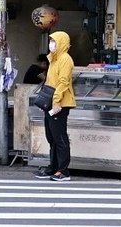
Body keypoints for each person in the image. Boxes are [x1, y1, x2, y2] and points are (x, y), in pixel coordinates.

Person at [35, 31, 75, 182]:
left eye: (54, 41)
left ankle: (63, 170)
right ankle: (53, 167)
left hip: (60, 104)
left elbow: (63, 82)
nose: (51, 44)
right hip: (51, 103)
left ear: (62, 43)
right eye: (51, 41)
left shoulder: (65, 59)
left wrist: (56, 101)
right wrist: (44, 102)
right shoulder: (54, 59)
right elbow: (49, 82)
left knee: (59, 137)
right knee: (51, 136)